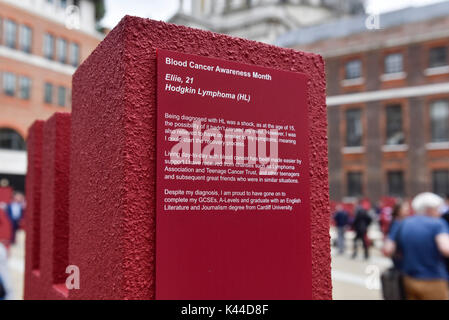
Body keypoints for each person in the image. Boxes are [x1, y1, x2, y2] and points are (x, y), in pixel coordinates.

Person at [384, 192, 449, 300]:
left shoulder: (404, 223)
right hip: (434, 279)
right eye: (437, 209)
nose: (439, 212)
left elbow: (387, 250)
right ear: (429, 209)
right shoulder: (438, 224)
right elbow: (446, 249)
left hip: (409, 279)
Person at [385, 201, 411, 270]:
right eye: (405, 208)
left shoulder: (404, 221)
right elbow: (391, 238)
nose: (408, 209)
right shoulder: (397, 223)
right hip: (400, 255)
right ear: (398, 211)